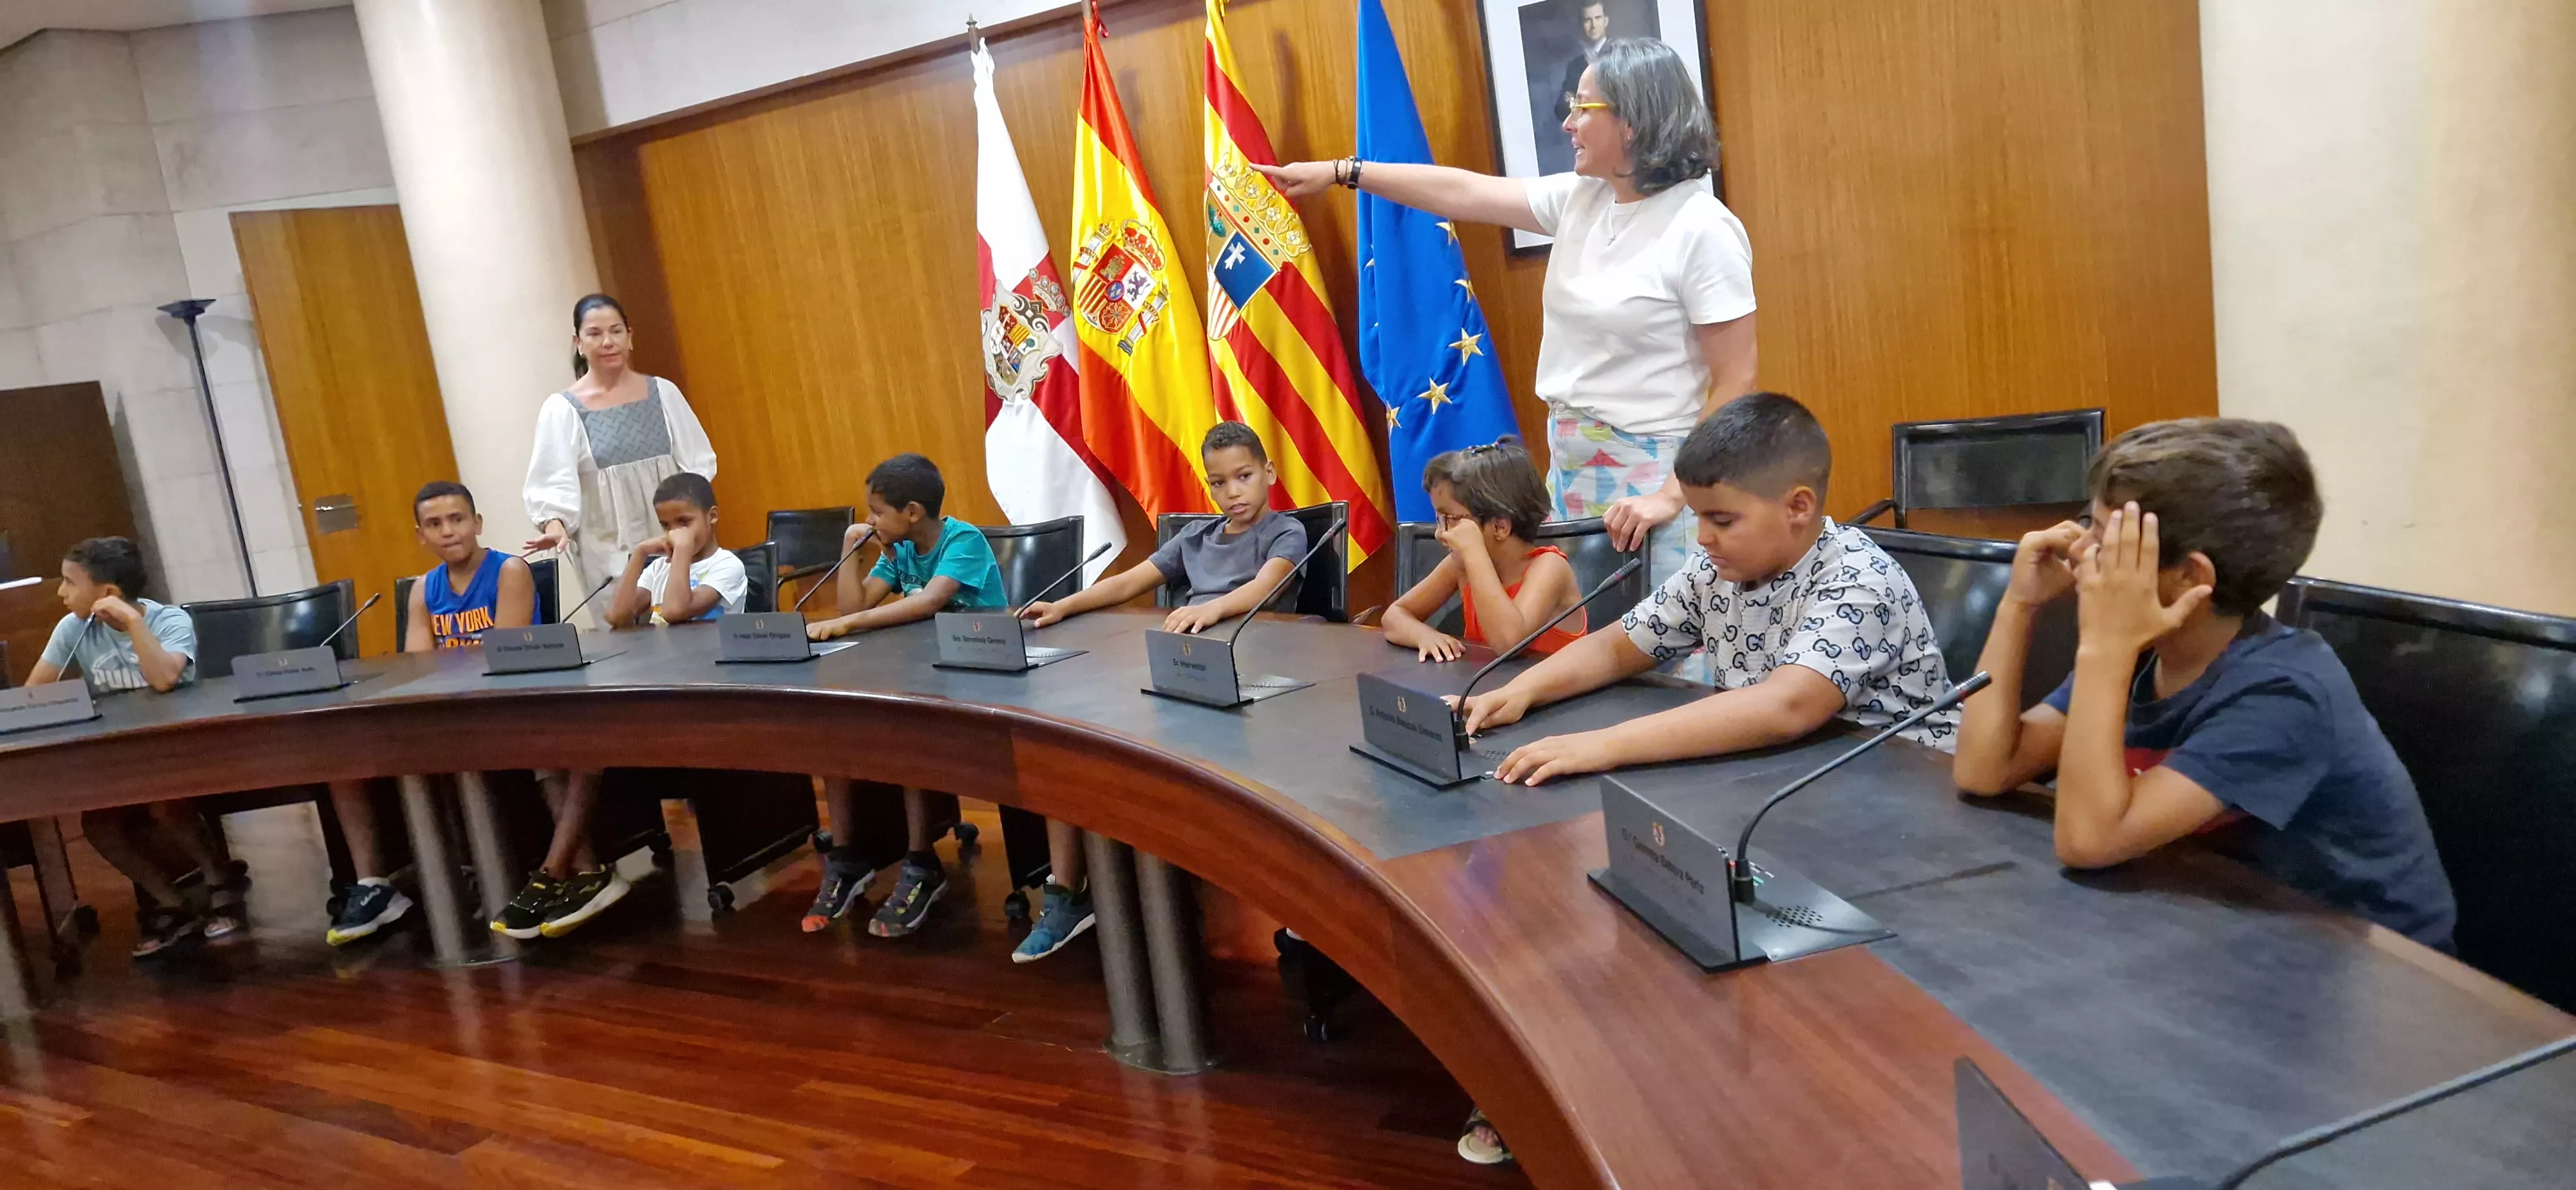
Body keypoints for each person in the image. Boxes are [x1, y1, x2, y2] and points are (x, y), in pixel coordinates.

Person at [1259, 37, 1756, 679]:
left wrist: (1669, 496)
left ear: (1632, 121)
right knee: (1582, 662)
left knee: (1664, 672)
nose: (1569, 122)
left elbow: (1736, 381)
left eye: (1583, 107)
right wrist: (1344, 172)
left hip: (1661, 478)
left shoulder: (1701, 229)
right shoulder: (1585, 200)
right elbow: (1462, 193)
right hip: (1572, 467)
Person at [1951, 419, 2456, 950]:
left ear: (2190, 577)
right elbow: (1986, 769)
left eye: (2108, 537)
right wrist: (2020, 604)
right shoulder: (2147, 653)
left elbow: (2088, 840)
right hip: (2216, 925)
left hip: (2365, 972)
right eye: (2088, 523)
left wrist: (2104, 645)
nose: (2079, 549)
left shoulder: (2284, 693)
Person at [1454, 393, 1955, 785]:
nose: (1705, 538)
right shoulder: (1716, 570)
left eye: (1722, 520)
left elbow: (1786, 706)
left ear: (1798, 507)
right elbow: (1614, 649)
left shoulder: (1858, 577)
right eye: (1699, 519)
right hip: (1792, 779)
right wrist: (1517, 692)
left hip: (1906, 786)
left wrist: (1601, 746)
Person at [1009, 422, 1312, 961]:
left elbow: (1267, 587)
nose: (1233, 492)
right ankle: (1076, 887)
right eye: (1219, 483)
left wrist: (1208, 608)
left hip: (1254, 677)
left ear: (1268, 473)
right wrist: (1065, 605)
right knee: (1076, 737)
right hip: (1185, 668)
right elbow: (1130, 582)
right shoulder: (1194, 538)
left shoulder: (1285, 532)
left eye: (1244, 476)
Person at [489, 471, 743, 942]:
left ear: (712, 517)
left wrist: (684, 552)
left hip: (701, 699)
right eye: (666, 524)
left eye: (684, 521)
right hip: (652, 691)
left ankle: (553, 871)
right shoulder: (660, 564)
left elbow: (680, 607)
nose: (673, 533)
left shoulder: (728, 566)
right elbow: (617, 615)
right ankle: (578, 873)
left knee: (588, 751)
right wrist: (641, 557)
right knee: (552, 750)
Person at [799, 453, 1008, 943]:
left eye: (876, 511)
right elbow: (856, 603)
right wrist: (851, 556)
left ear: (912, 512)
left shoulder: (963, 540)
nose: (869, 521)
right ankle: (847, 857)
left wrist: (849, 624)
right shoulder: (902, 550)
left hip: (979, 674)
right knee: (836, 720)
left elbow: (929, 602)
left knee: (904, 728)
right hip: (923, 672)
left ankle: (920, 861)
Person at [322, 480, 536, 946]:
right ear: (421, 535)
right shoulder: (424, 589)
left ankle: (488, 872)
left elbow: (504, 654)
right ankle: (378, 884)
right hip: (449, 712)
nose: (448, 532)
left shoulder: (509, 572)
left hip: (509, 708)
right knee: (347, 759)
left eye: (457, 520)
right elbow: (419, 665)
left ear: (477, 524)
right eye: (434, 525)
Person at [29, 538, 227, 958]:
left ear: (108, 594)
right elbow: (33, 695)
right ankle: (170, 901)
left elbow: (162, 680)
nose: (61, 593)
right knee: (98, 826)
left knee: (166, 805)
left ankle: (216, 881)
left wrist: (133, 626)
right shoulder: (72, 628)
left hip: (179, 750)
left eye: (69, 583)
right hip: (119, 757)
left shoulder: (169, 621)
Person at [524, 292, 719, 621]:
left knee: (689, 624)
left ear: (630, 336)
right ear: (579, 343)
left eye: (616, 331)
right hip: (608, 549)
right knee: (628, 637)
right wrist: (555, 525)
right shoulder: (562, 409)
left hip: (676, 539)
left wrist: (691, 530)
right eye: (595, 334)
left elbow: (697, 468)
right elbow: (552, 482)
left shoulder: (664, 392)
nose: (607, 342)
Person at [1380, 438, 1585, 662]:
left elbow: (1508, 643)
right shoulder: (1461, 564)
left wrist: (1475, 554)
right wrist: (1424, 636)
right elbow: (1395, 616)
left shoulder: (1549, 567)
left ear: (1500, 526)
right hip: (1485, 691)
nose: (1440, 533)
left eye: (1451, 519)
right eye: (1439, 519)